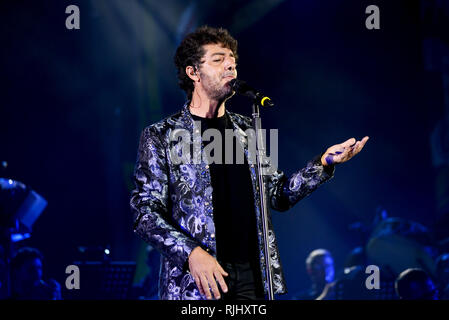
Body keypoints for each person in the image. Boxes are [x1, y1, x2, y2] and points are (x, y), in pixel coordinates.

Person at [130, 26, 369, 300]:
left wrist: (323, 164)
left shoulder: (249, 131)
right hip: (197, 281)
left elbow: (278, 195)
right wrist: (191, 254)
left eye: (232, 59)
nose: (230, 65)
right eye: (218, 59)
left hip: (252, 276)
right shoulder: (161, 135)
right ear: (193, 72)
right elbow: (145, 213)